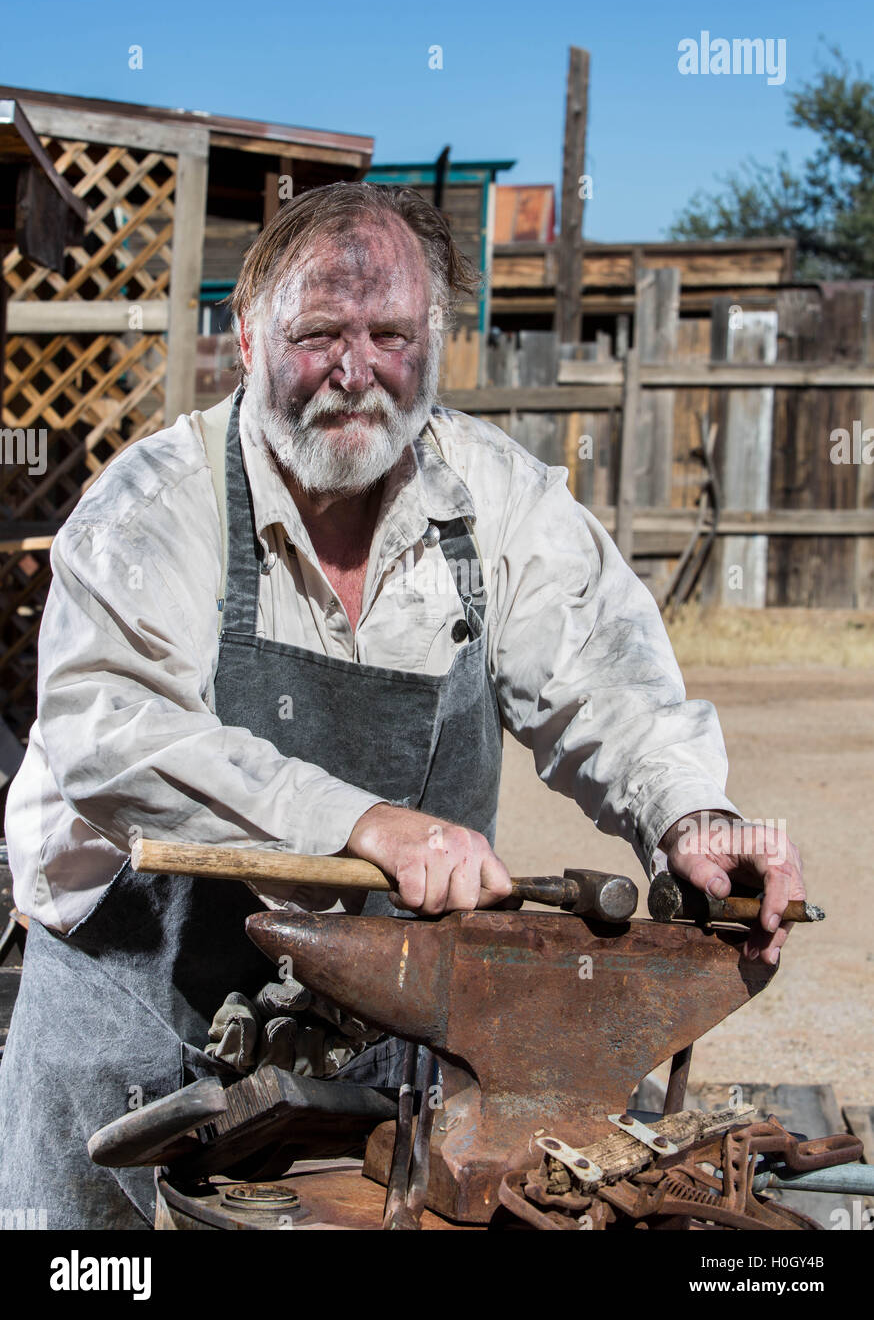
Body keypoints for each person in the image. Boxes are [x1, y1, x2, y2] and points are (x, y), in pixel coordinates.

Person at [0, 183, 804, 1228]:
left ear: (439, 340)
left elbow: (606, 682)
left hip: (375, 1035)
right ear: (245, 337)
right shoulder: (155, 507)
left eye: (390, 333)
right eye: (319, 332)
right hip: (131, 1014)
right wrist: (360, 821)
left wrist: (690, 816)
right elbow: (111, 730)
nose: (354, 370)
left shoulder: (495, 503)